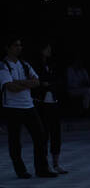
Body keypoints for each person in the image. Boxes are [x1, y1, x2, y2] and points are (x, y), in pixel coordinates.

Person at [1, 38, 55, 179]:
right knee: (15, 140)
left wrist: (20, 83)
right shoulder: (4, 65)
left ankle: (42, 168)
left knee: (40, 136)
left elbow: (37, 82)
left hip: (28, 105)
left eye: (20, 45)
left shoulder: (24, 64)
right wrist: (26, 83)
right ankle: (20, 170)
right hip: (12, 106)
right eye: (15, 45)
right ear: (8, 48)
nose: (19, 48)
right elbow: (9, 86)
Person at [34, 43, 66, 173]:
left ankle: (56, 163)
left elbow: (57, 80)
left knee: (56, 132)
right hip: (41, 102)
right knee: (44, 134)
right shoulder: (34, 66)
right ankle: (45, 164)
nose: (50, 51)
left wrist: (51, 84)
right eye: (47, 49)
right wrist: (44, 84)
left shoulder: (52, 65)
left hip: (53, 100)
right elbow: (37, 82)